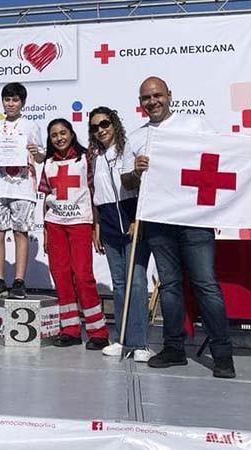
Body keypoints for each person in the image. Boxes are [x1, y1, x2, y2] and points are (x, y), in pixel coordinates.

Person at [125, 76, 251, 378]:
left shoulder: (194, 125)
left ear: (169, 94)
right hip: (159, 221)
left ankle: (222, 354)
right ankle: (174, 348)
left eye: (157, 95)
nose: (152, 101)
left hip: (196, 223)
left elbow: (229, 155)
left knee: (205, 284)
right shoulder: (137, 137)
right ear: (140, 102)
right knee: (170, 286)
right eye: (146, 97)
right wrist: (136, 172)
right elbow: (126, 181)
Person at [87, 106, 153, 361]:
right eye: (95, 127)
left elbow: (143, 186)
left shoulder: (129, 149)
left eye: (104, 124)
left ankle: (140, 343)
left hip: (132, 218)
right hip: (108, 223)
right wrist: (97, 227)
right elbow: (97, 196)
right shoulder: (95, 156)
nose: (101, 130)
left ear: (114, 124)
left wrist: (137, 218)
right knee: (119, 284)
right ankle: (122, 339)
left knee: (136, 282)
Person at [38, 119, 109, 349]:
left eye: (63, 133)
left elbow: (94, 192)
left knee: (82, 276)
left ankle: (98, 331)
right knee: (61, 276)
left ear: (71, 133)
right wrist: (46, 230)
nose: (59, 138)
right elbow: (46, 200)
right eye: (54, 135)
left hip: (80, 223)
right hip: (55, 225)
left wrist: (97, 226)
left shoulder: (87, 159)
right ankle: (70, 329)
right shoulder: (47, 163)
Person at [0, 82, 45, 299]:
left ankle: (19, 280)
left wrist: (36, 152)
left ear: (23, 103)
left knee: (20, 232)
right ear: (2, 102)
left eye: (15, 100)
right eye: (7, 100)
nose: (11, 104)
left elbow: (41, 156)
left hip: (22, 186)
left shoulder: (30, 126)